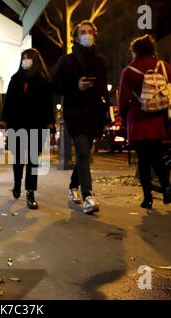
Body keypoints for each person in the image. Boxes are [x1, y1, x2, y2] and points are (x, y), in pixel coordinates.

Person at [50, 20, 109, 214]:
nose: (87, 35)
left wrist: (107, 112)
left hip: (94, 114)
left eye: (90, 31)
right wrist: (76, 86)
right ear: (75, 37)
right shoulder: (66, 61)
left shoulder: (100, 61)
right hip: (75, 113)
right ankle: (88, 197)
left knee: (85, 154)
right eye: (83, 32)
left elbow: (104, 90)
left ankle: (72, 186)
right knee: (83, 150)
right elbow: (55, 86)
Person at [118, 34, 171, 209]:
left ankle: (147, 198)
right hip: (159, 121)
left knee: (143, 160)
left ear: (134, 51)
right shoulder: (164, 67)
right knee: (158, 156)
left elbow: (123, 100)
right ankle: (166, 188)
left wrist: (125, 117)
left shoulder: (129, 71)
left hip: (138, 122)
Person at [0, 48, 55, 210]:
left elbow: (47, 105)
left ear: (35, 60)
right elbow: (7, 102)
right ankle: (17, 184)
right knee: (18, 159)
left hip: (36, 125)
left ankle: (30, 193)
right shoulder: (15, 79)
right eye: (24, 58)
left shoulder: (43, 81)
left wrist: (50, 125)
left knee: (32, 161)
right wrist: (3, 121)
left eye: (29, 58)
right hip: (16, 125)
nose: (26, 60)